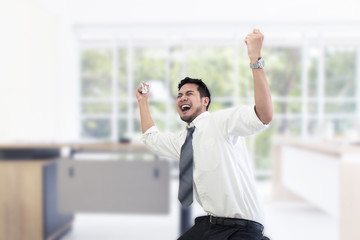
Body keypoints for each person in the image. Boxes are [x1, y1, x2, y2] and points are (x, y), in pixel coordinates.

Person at [135, 29, 273, 240]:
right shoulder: (183, 141)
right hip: (211, 224)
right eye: (179, 95)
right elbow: (151, 138)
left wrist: (255, 60)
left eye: (189, 94)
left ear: (205, 101)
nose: (182, 98)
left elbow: (264, 115)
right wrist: (143, 102)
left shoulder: (221, 122)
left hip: (243, 227)